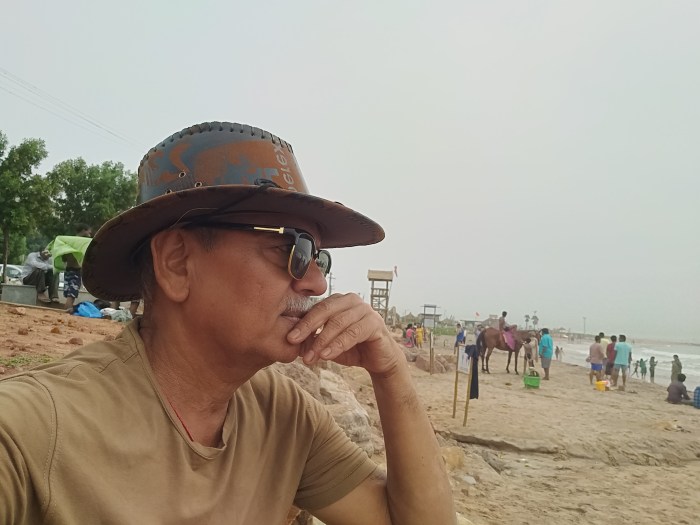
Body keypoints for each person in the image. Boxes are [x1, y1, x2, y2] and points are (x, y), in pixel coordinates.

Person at [0, 121, 456, 523]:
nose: (317, 283)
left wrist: (391, 372)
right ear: (177, 263)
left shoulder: (284, 418)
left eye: (319, 258)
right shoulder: (32, 433)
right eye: (293, 248)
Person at [62, 223, 93, 312]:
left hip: (68, 270)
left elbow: (64, 258)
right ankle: (68, 309)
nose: (90, 234)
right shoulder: (83, 243)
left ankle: (67, 309)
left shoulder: (68, 242)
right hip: (76, 270)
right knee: (72, 292)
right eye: (89, 232)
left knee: (69, 291)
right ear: (83, 230)